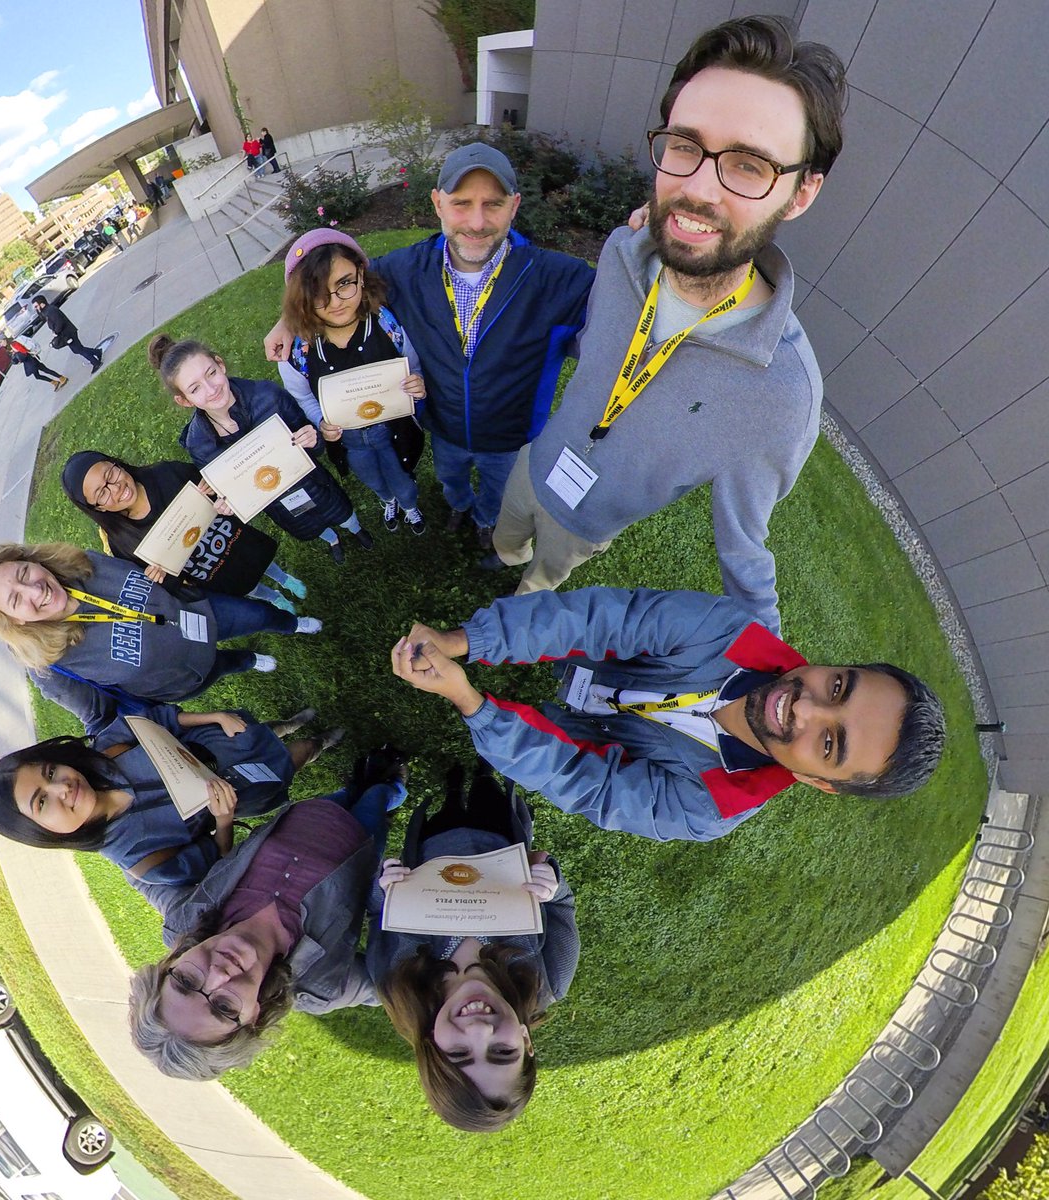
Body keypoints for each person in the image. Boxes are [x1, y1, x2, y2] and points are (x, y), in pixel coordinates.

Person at [486, 16, 848, 631]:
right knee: (504, 538)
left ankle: (523, 597)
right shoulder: (622, 254)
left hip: (588, 522)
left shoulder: (785, 396)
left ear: (802, 193)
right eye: (685, 146)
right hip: (536, 459)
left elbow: (745, 554)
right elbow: (594, 346)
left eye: (748, 165)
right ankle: (500, 556)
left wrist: (770, 671)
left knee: (539, 579)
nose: (698, 188)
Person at [392, 587, 947, 842]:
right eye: (839, 685)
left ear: (816, 783)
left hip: (589, 732)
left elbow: (587, 783)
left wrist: (473, 704)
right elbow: (596, 622)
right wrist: (464, 640)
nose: (804, 705)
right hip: (590, 665)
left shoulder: (710, 810)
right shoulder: (729, 630)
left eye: (829, 744)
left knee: (563, 751)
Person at [265, 142, 594, 551]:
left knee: (499, 488)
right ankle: (458, 504)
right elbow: (334, 282)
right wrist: (288, 320)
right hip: (444, 427)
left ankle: (486, 519)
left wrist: (638, 249)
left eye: (493, 204)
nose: (476, 222)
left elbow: (627, 317)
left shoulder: (559, 280)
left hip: (511, 437)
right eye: (461, 203)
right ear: (437, 203)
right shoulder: (405, 270)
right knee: (450, 476)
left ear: (515, 205)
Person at [127, 757, 407, 1079]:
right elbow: (391, 984)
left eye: (186, 981)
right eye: (223, 1007)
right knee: (376, 800)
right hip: (362, 839)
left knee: (344, 795)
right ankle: (391, 789)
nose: (218, 974)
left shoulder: (184, 919)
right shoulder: (319, 988)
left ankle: (355, 786)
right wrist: (380, 902)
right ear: (253, 1020)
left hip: (303, 815)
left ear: (169, 963)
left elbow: (141, 876)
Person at [368, 761, 578, 1132]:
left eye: (459, 1053)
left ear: (432, 1044)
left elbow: (376, 913)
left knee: (448, 809)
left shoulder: (394, 979)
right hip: (500, 840)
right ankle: (483, 771)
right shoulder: (549, 981)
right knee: (488, 794)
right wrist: (551, 885)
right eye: (502, 1052)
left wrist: (385, 888)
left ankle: (451, 788)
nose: (480, 1031)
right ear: (527, 1042)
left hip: (433, 849)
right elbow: (562, 906)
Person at [0, 690, 340, 887]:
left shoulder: (106, 752)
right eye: (42, 802)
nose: (62, 787)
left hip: (223, 739)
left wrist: (214, 717)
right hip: (246, 785)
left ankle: (287, 725)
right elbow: (217, 860)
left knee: (263, 731)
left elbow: (158, 720)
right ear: (42, 833)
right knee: (292, 759)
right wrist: (224, 819)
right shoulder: (141, 860)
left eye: (51, 771)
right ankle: (318, 744)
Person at [0, 542, 322, 709]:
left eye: (24, 573)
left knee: (257, 615)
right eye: (16, 600)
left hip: (196, 614)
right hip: (181, 675)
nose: (34, 588)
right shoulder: (48, 666)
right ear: (14, 620)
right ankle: (249, 661)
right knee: (225, 664)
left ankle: (292, 624)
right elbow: (98, 715)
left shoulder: (78, 563)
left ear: (30, 558)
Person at [159, 335, 374, 565]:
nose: (211, 389)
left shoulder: (268, 396)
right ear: (185, 401)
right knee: (310, 525)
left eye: (211, 373)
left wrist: (313, 438)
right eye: (195, 388)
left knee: (340, 512)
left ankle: (355, 528)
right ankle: (332, 540)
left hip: (313, 483)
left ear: (220, 364)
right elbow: (233, 489)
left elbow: (310, 436)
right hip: (280, 505)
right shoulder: (199, 444)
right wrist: (231, 503)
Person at [278, 229, 427, 535]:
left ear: (360, 274)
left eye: (344, 284)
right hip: (350, 440)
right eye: (319, 292)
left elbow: (411, 363)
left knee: (402, 476)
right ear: (302, 296)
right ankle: (387, 501)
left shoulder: (385, 322)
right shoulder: (297, 351)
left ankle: (410, 506)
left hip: (394, 428)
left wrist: (418, 384)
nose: (335, 303)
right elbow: (304, 397)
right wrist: (321, 421)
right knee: (372, 478)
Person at [61, 450, 307, 611]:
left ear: (116, 463)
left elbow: (216, 487)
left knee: (263, 563)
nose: (116, 487)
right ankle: (273, 597)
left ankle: (285, 579)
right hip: (213, 572)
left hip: (236, 540)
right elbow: (171, 585)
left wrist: (217, 493)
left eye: (111, 473)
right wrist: (159, 579)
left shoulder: (166, 474)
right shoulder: (123, 544)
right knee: (249, 586)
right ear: (97, 508)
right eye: (102, 493)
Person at [32, 295, 104, 374]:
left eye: (36, 306)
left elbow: (60, 322)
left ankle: (96, 363)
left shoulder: (51, 310)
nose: (35, 309)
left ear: (42, 304)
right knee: (77, 349)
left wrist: (56, 332)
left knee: (78, 349)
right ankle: (97, 352)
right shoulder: (46, 312)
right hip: (66, 334)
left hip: (68, 333)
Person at [0, 333, 67, 391]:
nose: (1, 344)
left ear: (4, 339)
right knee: (39, 375)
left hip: (31, 359)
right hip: (30, 359)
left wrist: (19, 358)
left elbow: (23, 351)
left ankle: (61, 379)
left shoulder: (13, 344)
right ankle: (55, 382)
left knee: (44, 371)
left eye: (1, 342)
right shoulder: (11, 345)